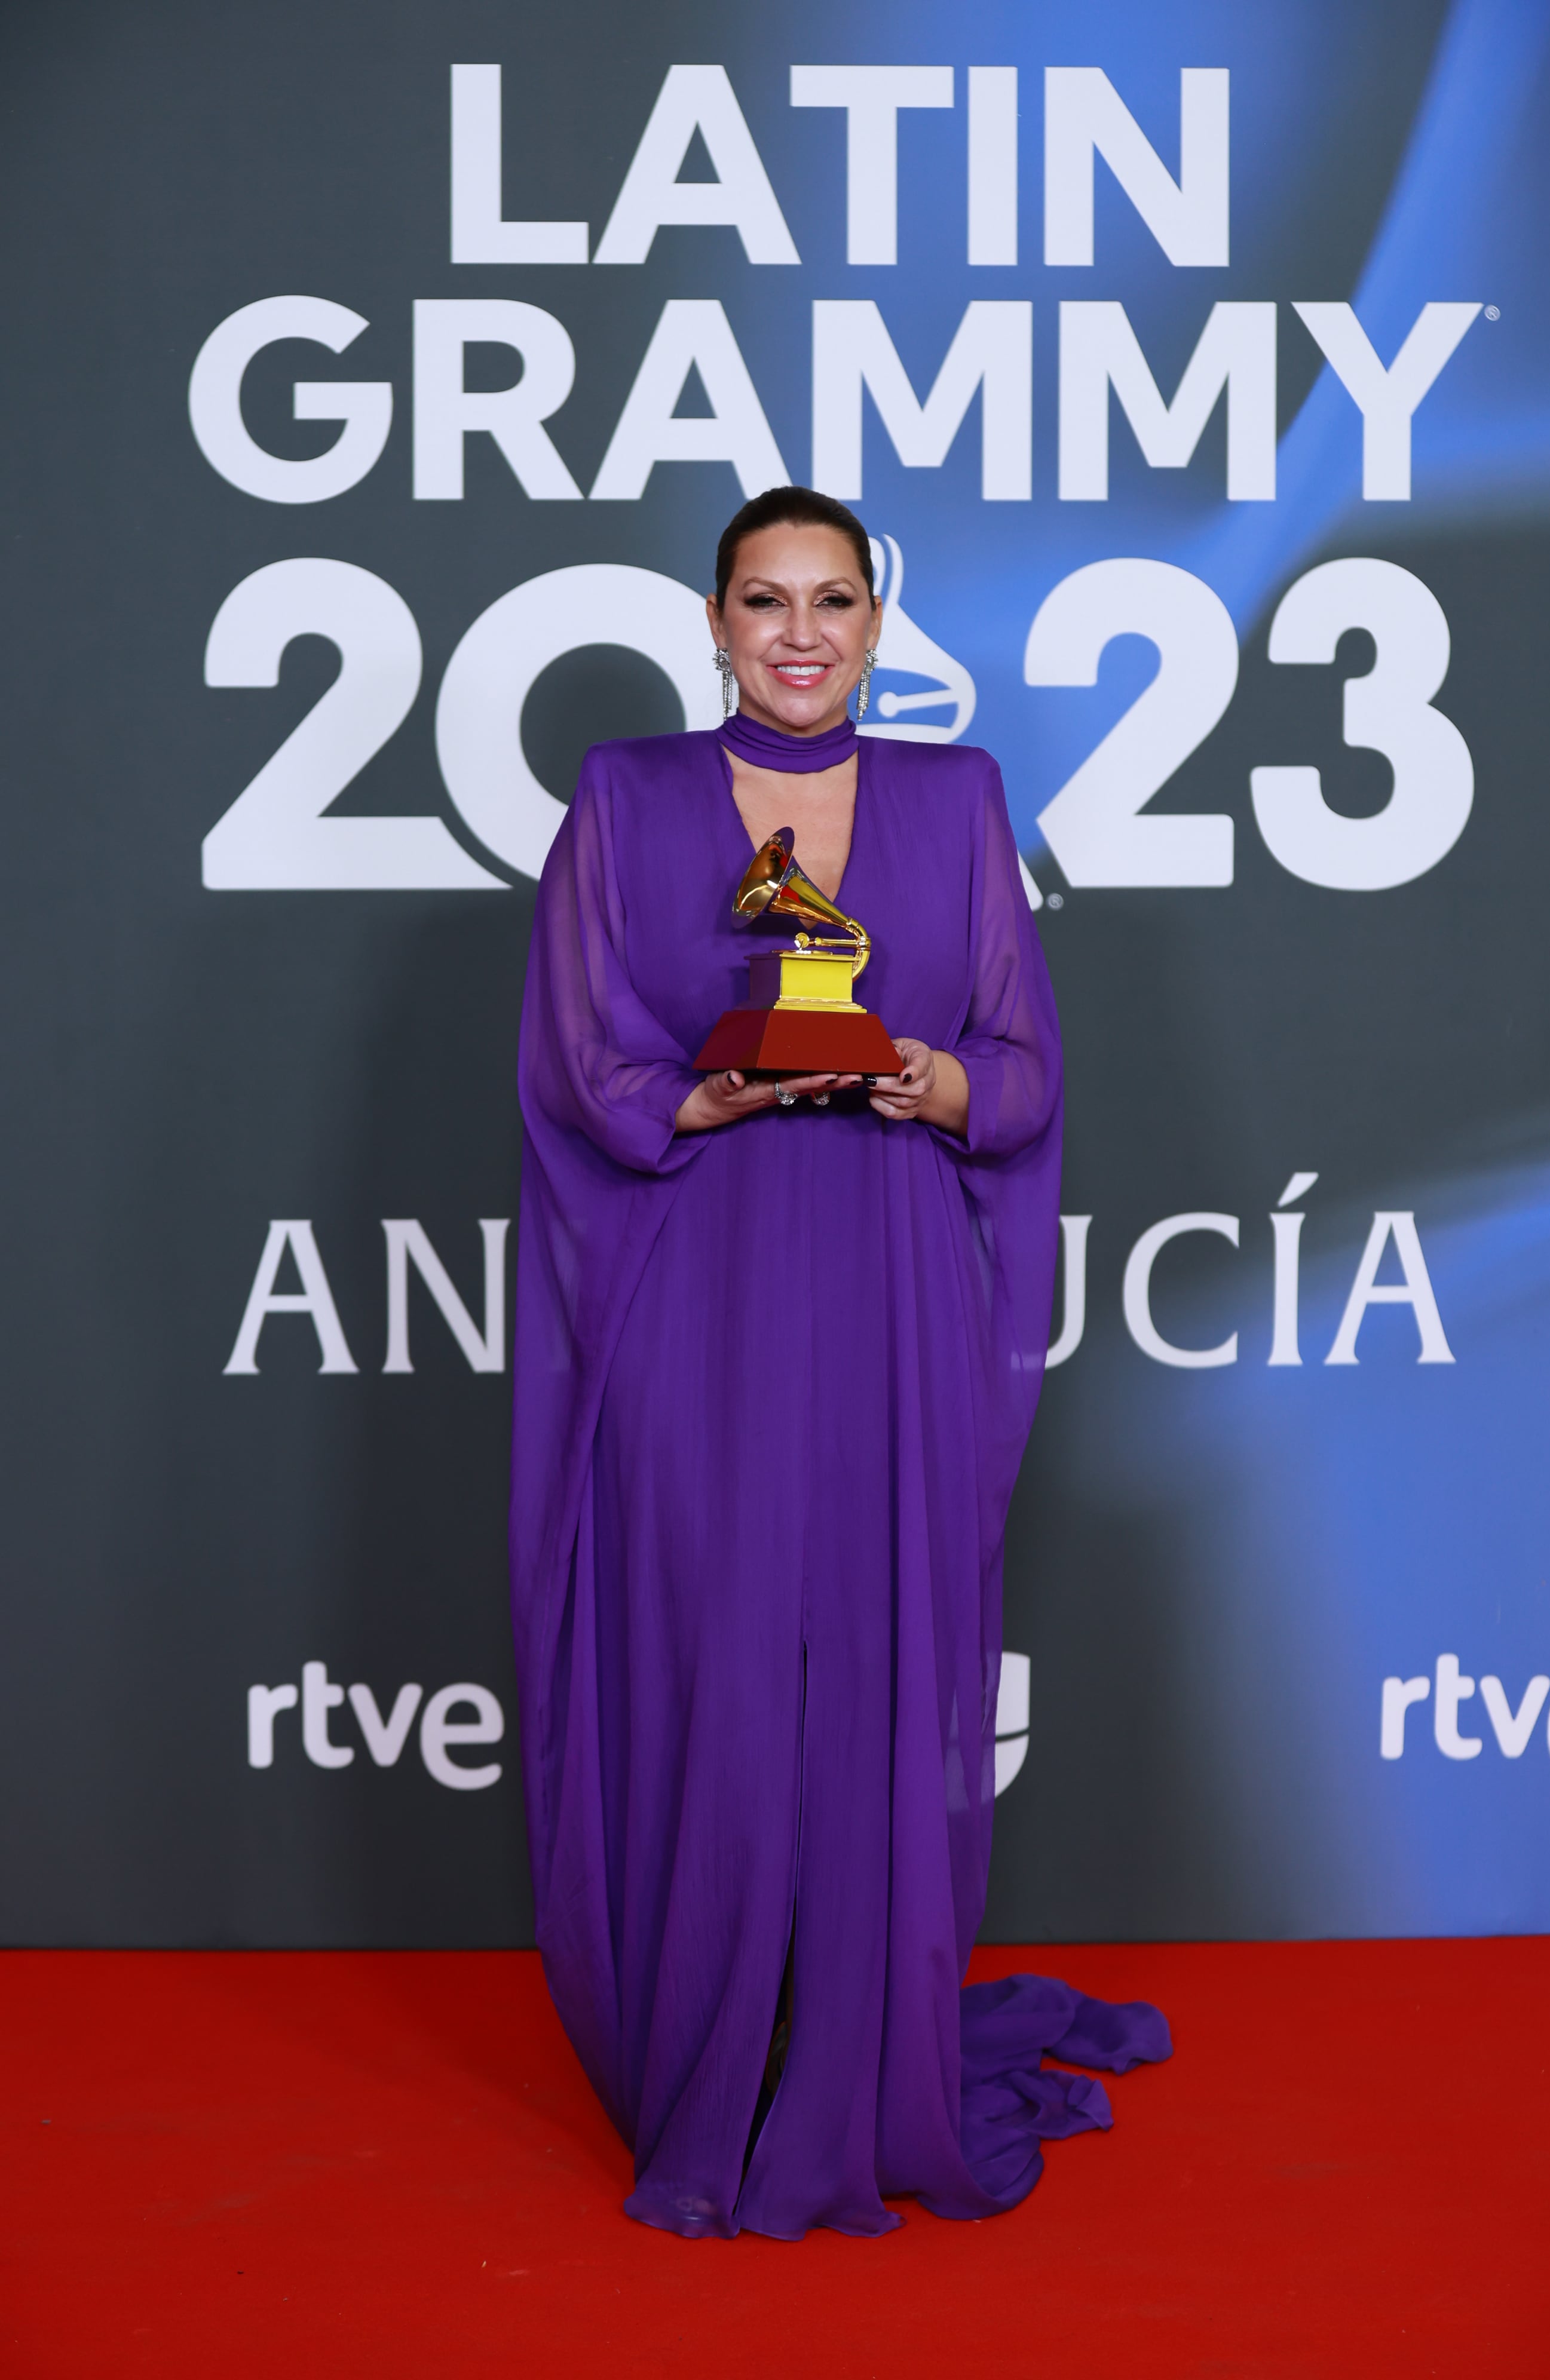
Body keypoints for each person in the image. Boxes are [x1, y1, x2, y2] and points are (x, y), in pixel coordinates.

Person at [510, 486, 1169, 2241]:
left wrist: (933, 1082)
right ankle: (709, 2064)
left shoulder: (956, 799)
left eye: (833, 600)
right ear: (712, 622)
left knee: (875, 1671)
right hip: (697, 1295)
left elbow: (1024, 1062)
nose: (799, 632)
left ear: (879, 623)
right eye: (762, 600)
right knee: (719, 1669)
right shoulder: (627, 797)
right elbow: (580, 1058)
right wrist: (697, 1095)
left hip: (889, 1287)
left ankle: (861, 2057)